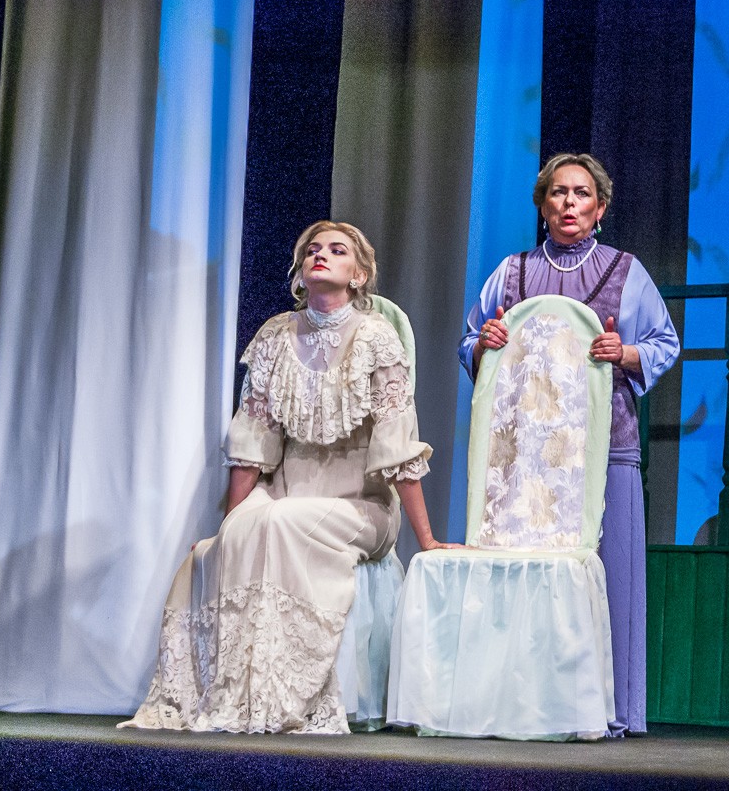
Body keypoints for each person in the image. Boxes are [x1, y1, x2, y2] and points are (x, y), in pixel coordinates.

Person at [123, 220, 457, 735]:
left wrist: (426, 539)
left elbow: (398, 447)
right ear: (300, 272)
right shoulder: (276, 335)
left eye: (337, 250)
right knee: (216, 547)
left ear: (359, 274)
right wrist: (229, 528)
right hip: (283, 491)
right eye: (312, 250)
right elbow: (252, 443)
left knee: (279, 522)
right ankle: (226, 695)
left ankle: (286, 695)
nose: (321, 255)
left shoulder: (376, 337)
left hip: (360, 502)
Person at [459, 153, 679, 736]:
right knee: (524, 575)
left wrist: (624, 353)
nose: (569, 204)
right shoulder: (512, 272)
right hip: (522, 457)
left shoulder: (626, 271)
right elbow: (472, 340)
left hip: (604, 447)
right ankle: (519, 702)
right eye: (558, 193)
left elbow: (664, 342)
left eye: (582, 194)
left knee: (607, 576)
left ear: (600, 208)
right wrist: (485, 341)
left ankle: (610, 708)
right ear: (542, 204)